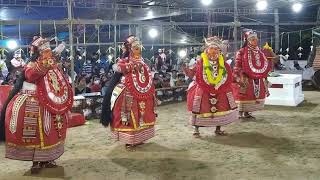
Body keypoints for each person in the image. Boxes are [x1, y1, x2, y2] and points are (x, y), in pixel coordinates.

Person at [0, 36, 73, 174]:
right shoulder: (32, 64)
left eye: (48, 47)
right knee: (36, 133)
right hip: (34, 101)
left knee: (50, 131)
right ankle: (36, 162)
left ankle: (47, 159)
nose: (47, 49)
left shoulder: (52, 63)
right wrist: (46, 62)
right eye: (44, 48)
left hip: (51, 101)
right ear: (38, 51)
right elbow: (31, 75)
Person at [105, 36, 157, 150]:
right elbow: (118, 67)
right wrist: (130, 66)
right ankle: (129, 140)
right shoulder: (125, 60)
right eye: (134, 47)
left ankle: (139, 138)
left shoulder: (143, 62)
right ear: (129, 48)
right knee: (128, 114)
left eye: (138, 47)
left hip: (144, 92)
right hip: (128, 91)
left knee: (144, 113)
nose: (137, 49)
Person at [183, 36, 238, 137]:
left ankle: (218, 129)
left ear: (219, 51)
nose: (213, 52)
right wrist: (186, 69)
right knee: (199, 106)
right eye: (211, 49)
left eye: (216, 49)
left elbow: (229, 75)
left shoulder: (224, 64)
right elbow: (192, 73)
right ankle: (196, 129)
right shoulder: (200, 62)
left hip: (219, 88)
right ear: (206, 51)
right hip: (203, 87)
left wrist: (236, 79)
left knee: (221, 106)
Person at [232, 30, 272, 118]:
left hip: (258, 77)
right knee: (244, 94)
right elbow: (237, 65)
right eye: (253, 39)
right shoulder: (242, 51)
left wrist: (265, 74)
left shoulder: (260, 51)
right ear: (248, 41)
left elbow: (264, 62)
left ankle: (247, 112)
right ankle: (240, 112)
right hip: (245, 76)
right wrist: (237, 75)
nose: (255, 41)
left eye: (256, 39)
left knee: (252, 95)